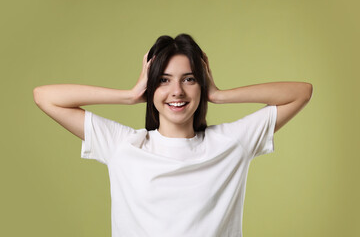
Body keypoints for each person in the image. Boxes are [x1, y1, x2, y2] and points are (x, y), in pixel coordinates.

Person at [33, 33, 313, 237]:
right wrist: (130, 95)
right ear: (150, 87)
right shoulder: (124, 145)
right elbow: (45, 97)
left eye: (189, 79)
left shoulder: (231, 143)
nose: (177, 91)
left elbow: (301, 93)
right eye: (163, 80)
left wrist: (218, 94)